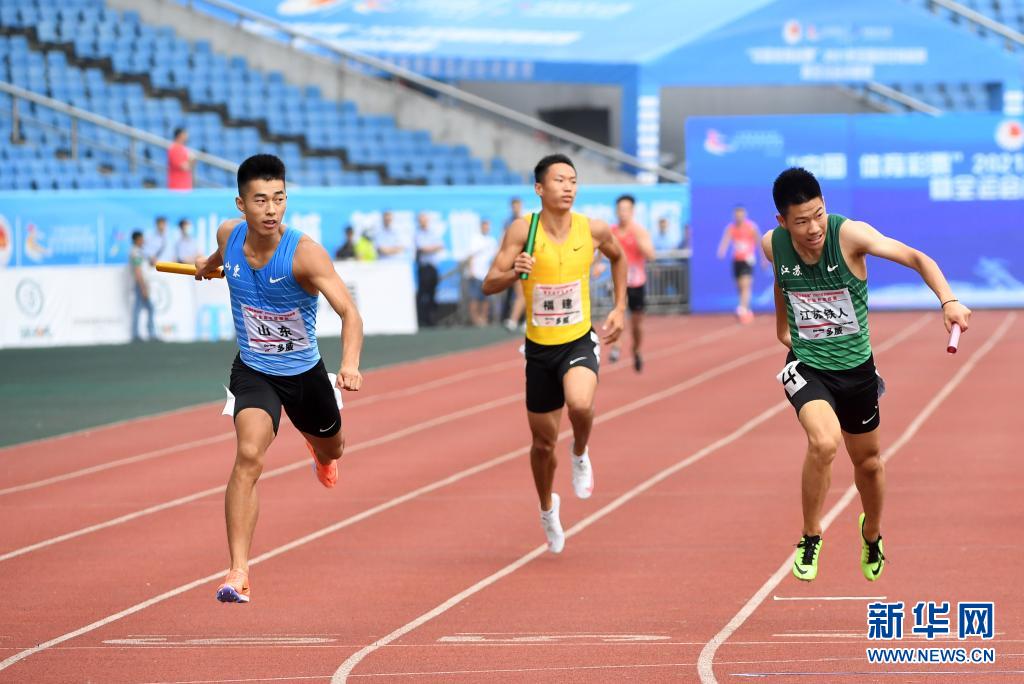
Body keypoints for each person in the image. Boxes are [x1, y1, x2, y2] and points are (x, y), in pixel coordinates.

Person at [763, 167, 971, 584]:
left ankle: (871, 533)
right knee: (823, 442)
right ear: (782, 222)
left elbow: (917, 258)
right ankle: (810, 534)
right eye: (801, 221)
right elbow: (782, 282)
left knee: (869, 464)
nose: (813, 228)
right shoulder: (773, 245)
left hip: (857, 371)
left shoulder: (849, 236)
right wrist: (783, 329)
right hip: (807, 364)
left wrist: (948, 300)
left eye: (818, 215)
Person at [193, 154, 364, 603]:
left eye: (279, 199)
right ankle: (238, 572)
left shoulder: (304, 254)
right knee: (248, 454)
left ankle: (320, 452)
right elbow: (219, 259)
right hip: (253, 369)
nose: (271, 210)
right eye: (261, 200)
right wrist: (207, 265)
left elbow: (349, 313)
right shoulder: (228, 235)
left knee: (335, 448)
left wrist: (349, 364)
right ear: (241, 203)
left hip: (305, 373)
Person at [483, 154, 626, 554]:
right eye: (559, 180)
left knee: (580, 405)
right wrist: (515, 272)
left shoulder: (592, 229)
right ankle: (548, 508)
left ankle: (580, 451)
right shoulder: (522, 231)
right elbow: (488, 283)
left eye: (573, 180)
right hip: (539, 351)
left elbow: (619, 257)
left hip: (578, 340)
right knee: (543, 445)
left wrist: (619, 307)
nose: (568, 187)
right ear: (539, 189)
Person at [608, 194, 654, 372]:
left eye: (626, 209)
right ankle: (616, 346)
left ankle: (636, 349)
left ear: (632, 211)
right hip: (619, 281)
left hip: (637, 282)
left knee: (636, 325)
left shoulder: (640, 231)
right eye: (620, 209)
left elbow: (651, 255)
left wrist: (640, 243)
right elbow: (600, 251)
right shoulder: (612, 231)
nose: (623, 213)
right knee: (617, 312)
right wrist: (596, 266)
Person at [717, 205, 760, 324]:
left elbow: (758, 242)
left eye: (741, 214)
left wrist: (763, 258)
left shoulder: (751, 227)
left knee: (746, 285)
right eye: (737, 214)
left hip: (748, 260)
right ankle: (746, 309)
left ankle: (742, 309)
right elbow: (725, 240)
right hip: (736, 260)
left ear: (745, 215)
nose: (739, 217)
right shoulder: (731, 228)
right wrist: (722, 250)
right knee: (739, 287)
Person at [465, 219, 498, 326]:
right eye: (484, 225)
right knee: (474, 298)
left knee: (486, 299)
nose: (486, 227)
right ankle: (475, 320)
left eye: (487, 226)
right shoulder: (475, 239)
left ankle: (483, 319)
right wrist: (471, 270)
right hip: (476, 273)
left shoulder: (492, 240)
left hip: (487, 274)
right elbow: (470, 256)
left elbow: (495, 257)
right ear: (481, 227)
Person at [414, 211, 444, 327]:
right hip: (423, 268)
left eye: (425, 219)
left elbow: (440, 246)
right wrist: (432, 248)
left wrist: (431, 248)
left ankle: (432, 319)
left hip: (433, 267)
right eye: (421, 220)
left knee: (433, 293)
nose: (423, 222)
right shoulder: (417, 234)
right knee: (423, 294)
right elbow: (422, 248)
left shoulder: (433, 232)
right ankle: (422, 319)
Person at [502, 197, 527, 332]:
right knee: (521, 292)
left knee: (526, 291)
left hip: (525, 258)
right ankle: (518, 320)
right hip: (513, 260)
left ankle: (515, 320)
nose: (515, 208)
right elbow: (504, 239)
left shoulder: (526, 221)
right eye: (513, 206)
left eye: (517, 205)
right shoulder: (508, 222)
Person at [129, 230, 157, 342]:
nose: (143, 241)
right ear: (137, 240)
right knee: (145, 308)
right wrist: (143, 287)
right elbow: (137, 271)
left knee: (139, 308)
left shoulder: (139, 252)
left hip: (141, 283)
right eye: (141, 238)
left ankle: (138, 333)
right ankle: (149, 333)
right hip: (140, 283)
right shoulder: (135, 253)